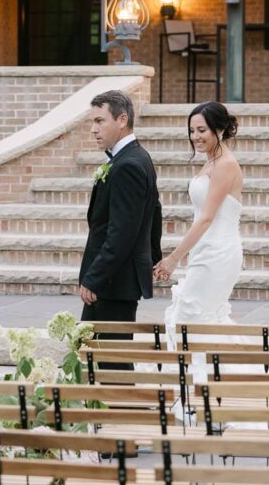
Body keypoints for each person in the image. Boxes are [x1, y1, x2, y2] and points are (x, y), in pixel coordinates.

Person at [154, 101, 243, 340]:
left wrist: (173, 259)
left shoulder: (226, 164)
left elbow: (206, 218)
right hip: (205, 249)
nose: (195, 137)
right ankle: (201, 374)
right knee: (196, 320)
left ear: (220, 129)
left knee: (190, 319)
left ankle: (206, 373)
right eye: (192, 131)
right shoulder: (211, 161)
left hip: (218, 252)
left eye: (201, 130)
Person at [79, 90, 163, 337]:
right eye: (92, 122)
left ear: (122, 120)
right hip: (115, 280)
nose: (93, 129)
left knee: (110, 362)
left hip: (113, 283)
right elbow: (155, 211)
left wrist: (94, 278)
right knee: (97, 356)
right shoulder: (136, 157)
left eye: (99, 121)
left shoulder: (128, 165)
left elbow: (121, 233)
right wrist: (152, 257)